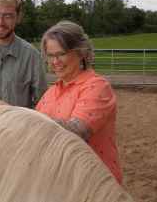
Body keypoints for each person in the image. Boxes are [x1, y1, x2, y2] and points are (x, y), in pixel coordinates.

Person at [35, 21, 122, 184]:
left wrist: (22, 117)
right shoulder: (50, 92)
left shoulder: (96, 86)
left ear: (81, 52)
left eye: (61, 54)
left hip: (95, 184)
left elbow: (79, 130)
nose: (55, 62)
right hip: (63, 182)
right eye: (49, 56)